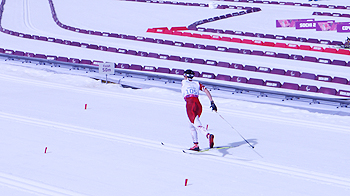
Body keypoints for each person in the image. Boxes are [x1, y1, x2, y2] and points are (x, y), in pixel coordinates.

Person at [181, 69, 218, 151]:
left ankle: (208, 135)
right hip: (198, 103)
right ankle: (195, 144)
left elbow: (185, 79)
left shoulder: (184, 82)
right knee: (191, 124)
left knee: (196, 124)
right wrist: (212, 102)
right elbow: (206, 90)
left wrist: (186, 76)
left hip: (190, 103)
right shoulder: (197, 83)